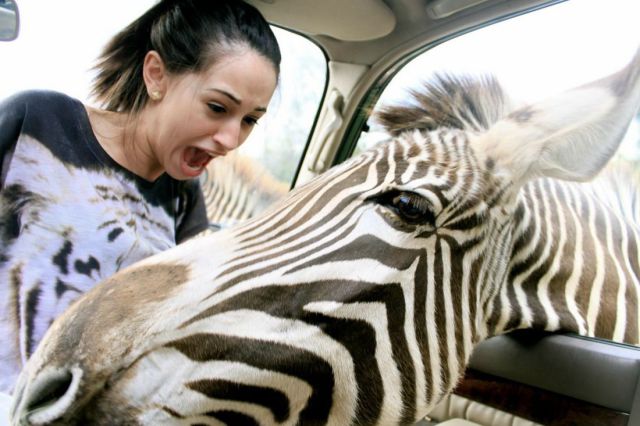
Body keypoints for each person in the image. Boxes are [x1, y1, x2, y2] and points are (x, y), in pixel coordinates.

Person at [0, 0, 280, 394]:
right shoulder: (38, 122)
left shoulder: (183, 196)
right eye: (217, 107)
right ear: (156, 76)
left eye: (250, 120)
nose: (231, 140)